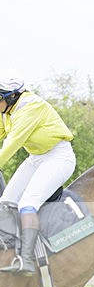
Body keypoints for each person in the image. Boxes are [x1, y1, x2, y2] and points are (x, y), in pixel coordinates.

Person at [0, 72, 76, 274]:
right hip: (36, 157)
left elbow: (11, 144)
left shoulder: (30, 107)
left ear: (11, 96)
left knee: (27, 203)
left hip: (59, 156)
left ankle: (27, 260)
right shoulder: (7, 112)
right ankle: (10, 249)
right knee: (5, 203)